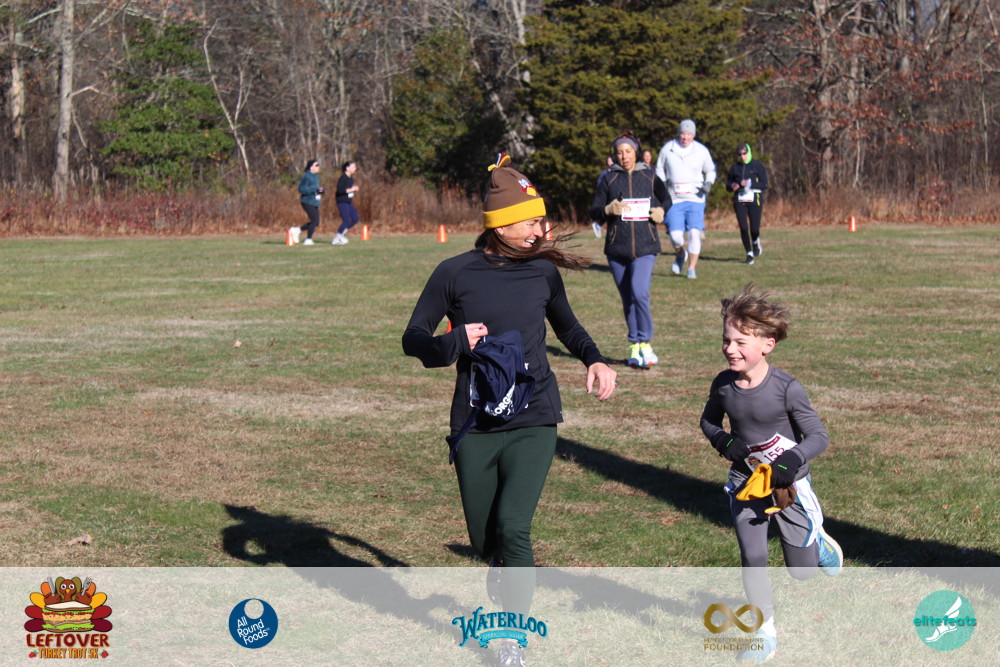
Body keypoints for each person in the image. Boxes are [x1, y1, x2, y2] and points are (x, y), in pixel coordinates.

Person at [402, 153, 617, 667]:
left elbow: (568, 327)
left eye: (542, 221)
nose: (543, 230)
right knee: (486, 538)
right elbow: (413, 339)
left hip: (534, 416)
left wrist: (594, 358)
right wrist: (454, 342)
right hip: (476, 422)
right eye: (532, 222)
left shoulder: (542, 271)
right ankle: (498, 563)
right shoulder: (453, 273)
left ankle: (511, 639)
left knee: (515, 527)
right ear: (501, 226)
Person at [699, 283, 843, 662]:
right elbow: (708, 422)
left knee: (802, 572)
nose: (730, 349)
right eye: (726, 340)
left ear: (767, 345)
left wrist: (790, 461)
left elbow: (818, 436)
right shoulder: (723, 385)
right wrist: (724, 442)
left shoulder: (786, 389)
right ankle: (764, 632)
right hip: (745, 483)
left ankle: (819, 542)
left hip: (788, 485)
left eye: (740, 342)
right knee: (753, 556)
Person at [590, 131, 668, 368]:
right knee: (627, 298)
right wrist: (608, 210)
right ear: (615, 156)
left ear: (636, 153)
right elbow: (594, 210)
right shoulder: (609, 179)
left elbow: (667, 200)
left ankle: (646, 342)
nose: (624, 156)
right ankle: (634, 345)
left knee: (639, 292)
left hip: (646, 246)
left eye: (628, 151)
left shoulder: (650, 176)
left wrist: (661, 211)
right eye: (620, 152)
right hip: (617, 249)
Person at [655, 119, 715, 279]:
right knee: (675, 237)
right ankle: (681, 254)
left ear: (693, 135)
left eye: (689, 134)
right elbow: (659, 168)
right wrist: (662, 183)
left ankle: (691, 269)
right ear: (678, 134)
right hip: (674, 199)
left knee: (694, 233)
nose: (685, 137)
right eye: (683, 133)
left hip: (695, 198)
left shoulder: (701, 150)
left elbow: (710, 170)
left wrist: (708, 183)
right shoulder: (668, 148)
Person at [727, 143, 769, 264]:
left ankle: (755, 241)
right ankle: (749, 254)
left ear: (749, 152)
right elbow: (728, 184)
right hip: (740, 200)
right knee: (744, 227)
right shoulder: (735, 168)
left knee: (754, 229)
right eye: (740, 154)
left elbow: (764, 184)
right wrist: (732, 186)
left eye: (744, 153)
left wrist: (750, 184)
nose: (742, 156)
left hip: (755, 200)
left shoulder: (757, 166)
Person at [290, 159, 323, 245]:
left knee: (316, 222)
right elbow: (301, 189)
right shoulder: (306, 176)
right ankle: (308, 239)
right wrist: (314, 189)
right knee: (314, 220)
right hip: (307, 201)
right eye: (316, 165)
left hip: (314, 201)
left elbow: (315, 188)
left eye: (318, 165)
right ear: (311, 167)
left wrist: (320, 190)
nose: (318, 167)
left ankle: (297, 230)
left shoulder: (316, 176)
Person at [332, 161, 360, 245]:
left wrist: (354, 189)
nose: (355, 168)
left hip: (348, 202)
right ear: (347, 168)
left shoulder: (351, 178)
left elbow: (349, 190)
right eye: (353, 167)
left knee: (355, 219)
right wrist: (352, 189)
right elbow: (340, 190)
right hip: (342, 202)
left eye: (355, 167)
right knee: (346, 220)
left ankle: (341, 234)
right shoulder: (343, 178)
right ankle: (337, 237)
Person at [592, 156, 614, 238]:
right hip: (607, 197)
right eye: (609, 161)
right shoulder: (604, 174)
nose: (610, 162)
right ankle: (598, 224)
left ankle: (599, 224)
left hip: (613, 196)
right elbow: (599, 186)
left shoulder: (617, 172)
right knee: (608, 212)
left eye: (611, 160)